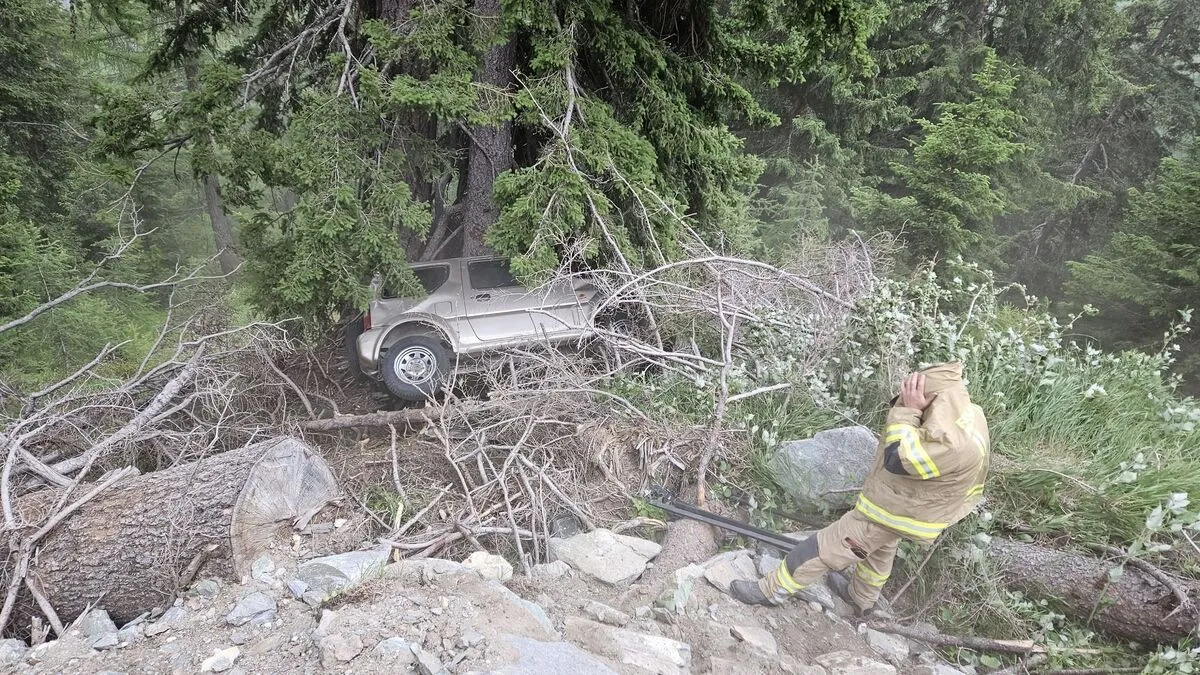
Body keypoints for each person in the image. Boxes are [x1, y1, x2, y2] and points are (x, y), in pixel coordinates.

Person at [729, 361, 990, 618]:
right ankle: (862, 600)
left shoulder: (951, 442)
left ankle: (770, 591)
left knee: (822, 547)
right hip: (919, 507)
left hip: (902, 509)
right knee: (881, 547)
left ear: (932, 397)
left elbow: (897, 458)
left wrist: (908, 411)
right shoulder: (968, 414)